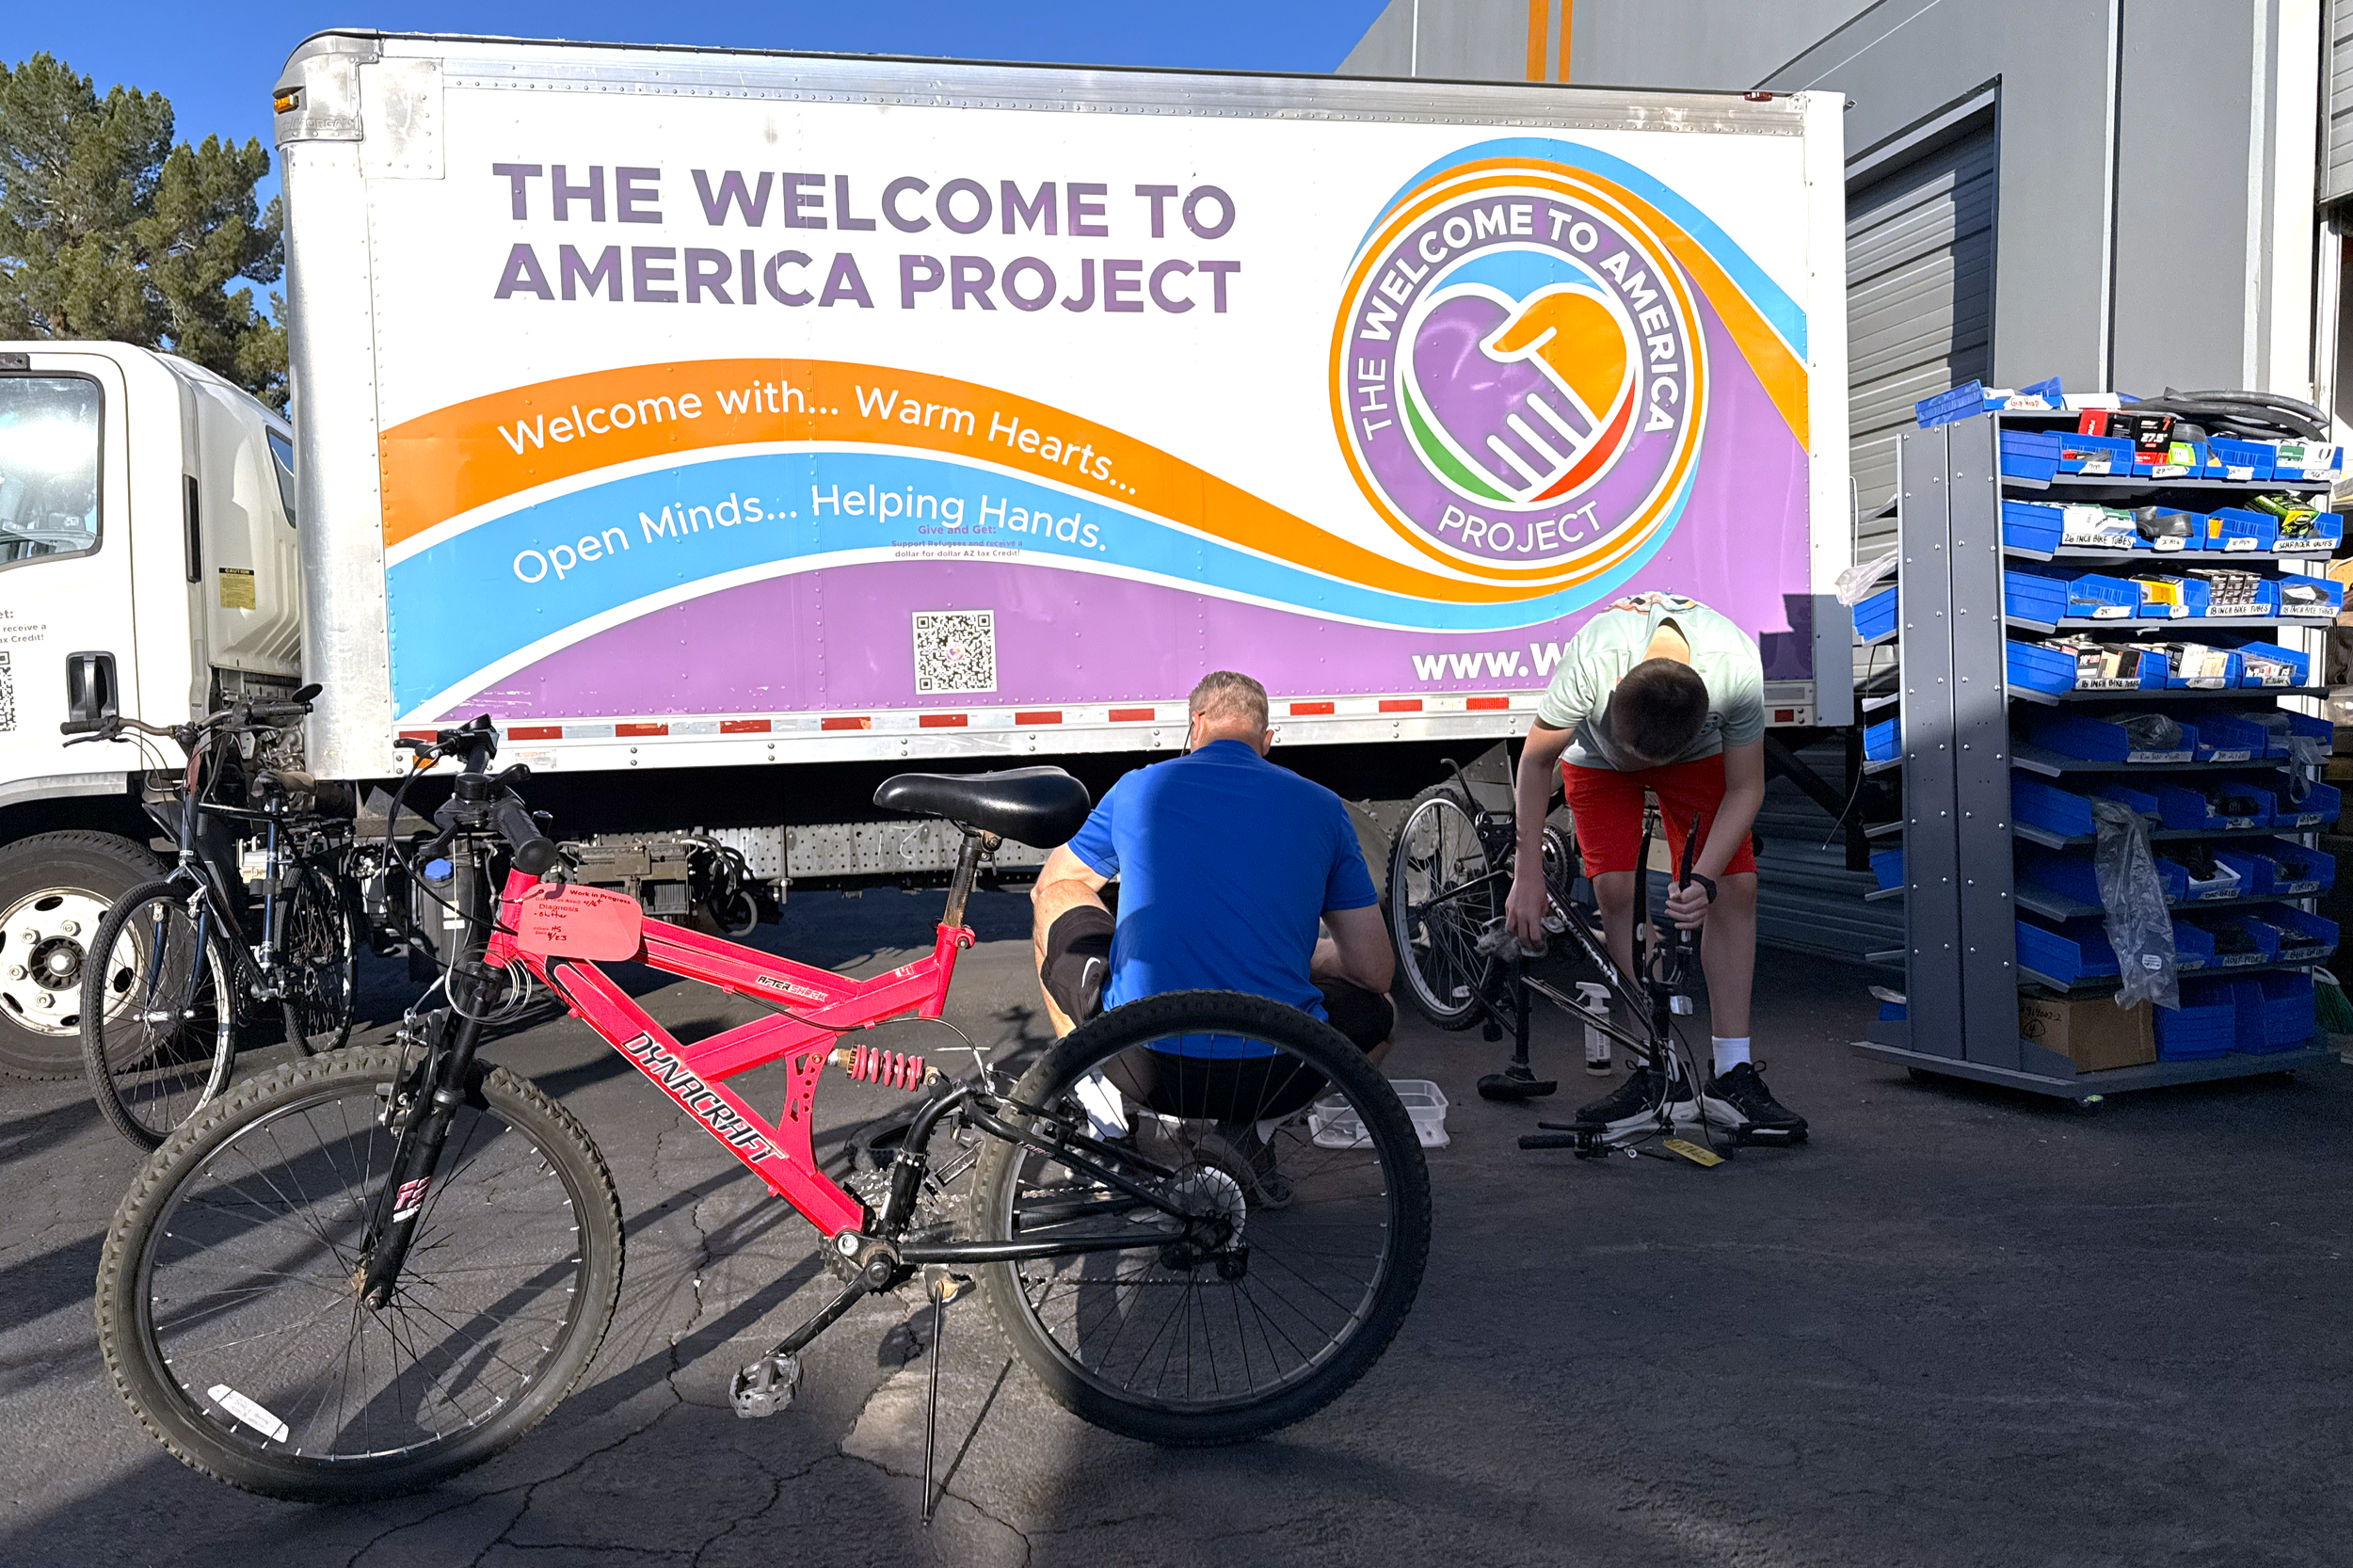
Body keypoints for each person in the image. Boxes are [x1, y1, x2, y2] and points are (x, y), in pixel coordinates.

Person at [1030, 670, 1396, 1199]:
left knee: (1056, 897)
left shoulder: (1140, 787)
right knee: (1384, 1013)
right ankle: (1250, 1136)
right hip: (1275, 1067)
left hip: (1142, 1061)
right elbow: (1373, 969)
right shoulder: (1322, 807)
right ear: (1268, 742)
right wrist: (1307, 960)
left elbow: (1055, 883)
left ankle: (1106, 1123)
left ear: (1195, 724)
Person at [1502, 591, 1806, 1139]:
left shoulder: (1733, 669)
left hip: (1695, 757)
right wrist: (1528, 874)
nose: (1638, 769)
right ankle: (1651, 1061)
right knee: (1616, 892)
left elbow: (1746, 787)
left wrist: (1704, 880)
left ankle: (1733, 1071)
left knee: (1738, 887)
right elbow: (1535, 760)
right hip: (1594, 757)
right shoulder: (1591, 665)